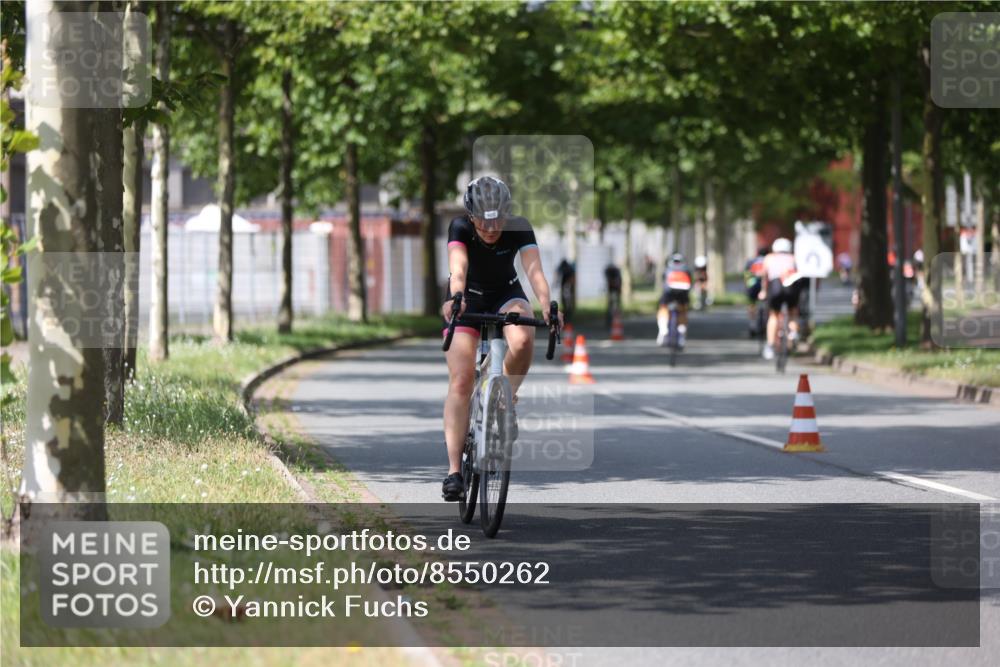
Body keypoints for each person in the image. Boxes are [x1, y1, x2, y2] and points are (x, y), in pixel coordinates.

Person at [440, 176, 560, 502]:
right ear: (470, 215)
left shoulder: (518, 227)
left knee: (522, 339)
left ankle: (506, 396)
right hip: (468, 296)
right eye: (483, 219)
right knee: (462, 381)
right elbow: (459, 268)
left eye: (498, 219)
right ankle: (453, 472)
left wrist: (548, 305)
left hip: (506, 292)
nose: (492, 227)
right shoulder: (460, 228)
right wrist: (456, 296)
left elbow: (534, 271)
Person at [759, 237, 804, 360]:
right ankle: (793, 333)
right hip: (791, 290)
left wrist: (763, 291)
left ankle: (770, 345)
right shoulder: (794, 258)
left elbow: (764, 277)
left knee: (773, 315)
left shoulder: (769, 258)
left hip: (775, 288)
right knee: (793, 313)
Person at [657, 253, 692, 348]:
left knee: (663, 308)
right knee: (683, 311)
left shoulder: (667, 269)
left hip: (668, 295)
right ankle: (681, 334)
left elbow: (664, 282)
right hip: (682, 296)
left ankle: (663, 331)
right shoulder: (686, 270)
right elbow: (690, 285)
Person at [743, 247, 768, 337]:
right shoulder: (768, 260)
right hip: (764, 286)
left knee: (752, 305)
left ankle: (752, 325)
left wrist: (746, 287)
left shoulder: (751, 261)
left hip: (752, 285)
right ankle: (765, 324)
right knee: (767, 305)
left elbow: (746, 274)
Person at [556, 258, 576, 325]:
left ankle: (568, 315)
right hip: (565, 285)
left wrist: (570, 285)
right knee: (565, 302)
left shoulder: (569, 269)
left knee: (568, 302)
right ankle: (566, 314)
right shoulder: (564, 268)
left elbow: (572, 278)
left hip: (568, 286)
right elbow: (557, 275)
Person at [604, 263, 622, 328]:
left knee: (616, 305)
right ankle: (610, 320)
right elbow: (609, 282)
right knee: (610, 305)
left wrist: (618, 289)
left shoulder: (617, 273)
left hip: (616, 290)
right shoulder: (609, 273)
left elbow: (618, 283)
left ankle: (616, 320)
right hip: (611, 290)